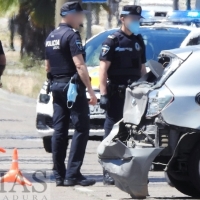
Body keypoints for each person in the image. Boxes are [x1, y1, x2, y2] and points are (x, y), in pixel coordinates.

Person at [45, 1, 97, 187]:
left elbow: (47, 66)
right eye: (80, 14)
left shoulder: (51, 35)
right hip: (72, 87)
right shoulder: (71, 35)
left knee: (59, 130)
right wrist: (90, 91)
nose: (82, 17)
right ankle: (73, 174)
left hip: (56, 85)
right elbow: (80, 65)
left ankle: (59, 175)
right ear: (72, 15)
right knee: (82, 128)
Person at [99, 5, 147, 185]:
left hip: (134, 95)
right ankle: (109, 172)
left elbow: (142, 69)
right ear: (123, 19)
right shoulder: (112, 41)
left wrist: (145, 90)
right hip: (116, 94)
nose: (136, 22)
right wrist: (103, 94)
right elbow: (103, 69)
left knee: (133, 134)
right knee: (112, 133)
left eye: (137, 19)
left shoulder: (138, 40)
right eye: (133, 19)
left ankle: (130, 173)